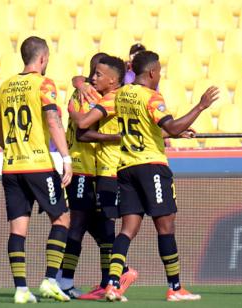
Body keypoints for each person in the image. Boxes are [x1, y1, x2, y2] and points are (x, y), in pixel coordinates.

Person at [103, 50, 219, 302]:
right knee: (165, 227)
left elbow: (146, 128)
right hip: (151, 166)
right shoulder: (152, 97)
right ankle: (175, 287)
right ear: (152, 72)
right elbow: (171, 126)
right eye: (159, 72)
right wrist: (200, 106)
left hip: (125, 167)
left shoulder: (121, 94)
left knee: (126, 230)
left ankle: (112, 285)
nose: (160, 77)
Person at [0, 36, 72, 303]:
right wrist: (66, 159)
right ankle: (49, 280)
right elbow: (52, 120)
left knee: (18, 229)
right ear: (43, 57)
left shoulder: (4, 86)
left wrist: (15, 149)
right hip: (38, 165)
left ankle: (21, 289)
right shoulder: (43, 84)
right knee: (62, 219)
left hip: (11, 167)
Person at [58, 52, 136, 300]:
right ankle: (68, 280)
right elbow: (81, 132)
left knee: (100, 226)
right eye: (93, 72)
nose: (93, 77)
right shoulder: (84, 93)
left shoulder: (109, 98)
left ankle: (104, 280)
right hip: (82, 167)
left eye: (97, 73)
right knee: (81, 225)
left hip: (101, 170)